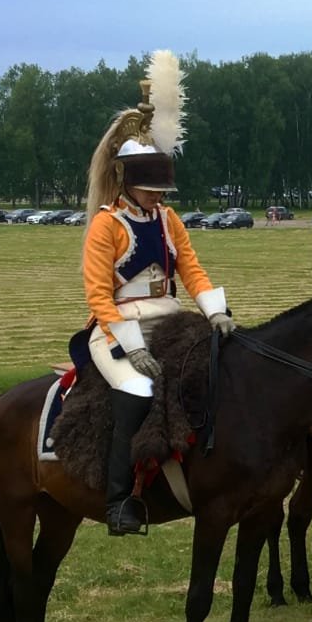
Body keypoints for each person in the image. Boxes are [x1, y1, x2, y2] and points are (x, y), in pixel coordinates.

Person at [78, 50, 235, 536]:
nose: (158, 198)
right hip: (116, 330)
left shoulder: (169, 221)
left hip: (170, 317)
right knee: (137, 390)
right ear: (127, 182)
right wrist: (133, 347)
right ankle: (119, 500)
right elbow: (98, 297)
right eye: (151, 191)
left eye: (162, 192)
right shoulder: (107, 226)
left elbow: (192, 270)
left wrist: (216, 313)